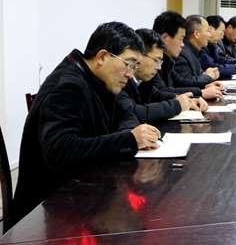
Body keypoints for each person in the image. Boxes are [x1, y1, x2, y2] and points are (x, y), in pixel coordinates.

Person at [13, 22, 162, 225]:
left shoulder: (101, 79)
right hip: (50, 210)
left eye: (135, 66)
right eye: (128, 63)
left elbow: (126, 114)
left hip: (88, 190)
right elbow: (60, 150)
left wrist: (131, 133)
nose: (130, 73)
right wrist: (128, 139)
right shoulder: (67, 86)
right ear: (102, 57)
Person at [116, 29, 208, 123]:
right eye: (156, 60)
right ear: (139, 56)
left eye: (160, 62)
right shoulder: (120, 79)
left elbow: (157, 95)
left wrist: (187, 100)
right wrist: (177, 105)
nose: (159, 67)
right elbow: (133, 112)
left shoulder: (144, 80)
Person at [151, 11, 223, 100]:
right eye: (180, 39)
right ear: (165, 38)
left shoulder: (168, 59)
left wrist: (204, 87)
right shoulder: (153, 61)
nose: (182, 44)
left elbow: (180, 82)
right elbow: (162, 91)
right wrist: (201, 92)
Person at [173, 15, 220, 88]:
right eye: (207, 31)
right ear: (196, 34)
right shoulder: (182, 54)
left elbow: (198, 76)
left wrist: (208, 82)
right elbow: (185, 83)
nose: (210, 35)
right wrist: (208, 76)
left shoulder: (196, 51)